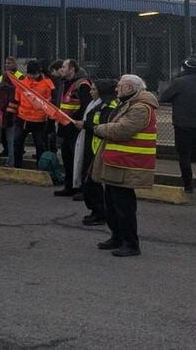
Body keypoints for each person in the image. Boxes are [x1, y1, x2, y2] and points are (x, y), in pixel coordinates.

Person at [89, 74, 156, 257]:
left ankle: (130, 243)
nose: (117, 89)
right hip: (117, 161)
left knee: (124, 206)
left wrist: (98, 129)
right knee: (112, 202)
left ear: (129, 88)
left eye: (120, 86)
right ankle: (117, 236)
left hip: (128, 162)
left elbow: (122, 130)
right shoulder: (129, 104)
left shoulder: (141, 108)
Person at [160, 57, 196, 192]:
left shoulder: (179, 82)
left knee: (184, 154)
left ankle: (188, 185)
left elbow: (164, 97)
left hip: (182, 123)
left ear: (184, 68)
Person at [78, 79, 119, 226]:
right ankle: (95, 211)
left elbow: (102, 127)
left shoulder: (109, 107)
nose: (91, 92)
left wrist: (85, 125)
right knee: (89, 183)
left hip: (99, 148)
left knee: (93, 183)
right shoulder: (98, 104)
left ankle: (100, 213)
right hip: (93, 146)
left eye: (94, 89)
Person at [55, 59, 92, 197]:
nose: (62, 69)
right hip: (66, 127)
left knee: (79, 159)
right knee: (67, 156)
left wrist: (80, 121)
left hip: (76, 127)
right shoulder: (64, 83)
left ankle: (82, 188)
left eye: (64, 66)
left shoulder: (82, 84)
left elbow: (86, 106)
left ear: (72, 70)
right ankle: (69, 185)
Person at [14, 61, 54, 166]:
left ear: (38, 72)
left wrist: (50, 120)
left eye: (33, 74)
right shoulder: (22, 82)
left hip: (39, 120)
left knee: (40, 145)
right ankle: (17, 166)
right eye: (29, 74)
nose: (31, 76)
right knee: (17, 142)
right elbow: (17, 99)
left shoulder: (47, 84)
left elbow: (50, 103)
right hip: (23, 118)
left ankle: (41, 167)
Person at [0, 57, 24, 161]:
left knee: (11, 136)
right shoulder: (2, 76)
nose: (7, 65)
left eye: (9, 63)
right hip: (6, 111)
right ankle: (7, 151)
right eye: (6, 63)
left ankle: (11, 154)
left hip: (13, 109)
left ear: (15, 64)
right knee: (6, 135)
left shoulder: (20, 76)